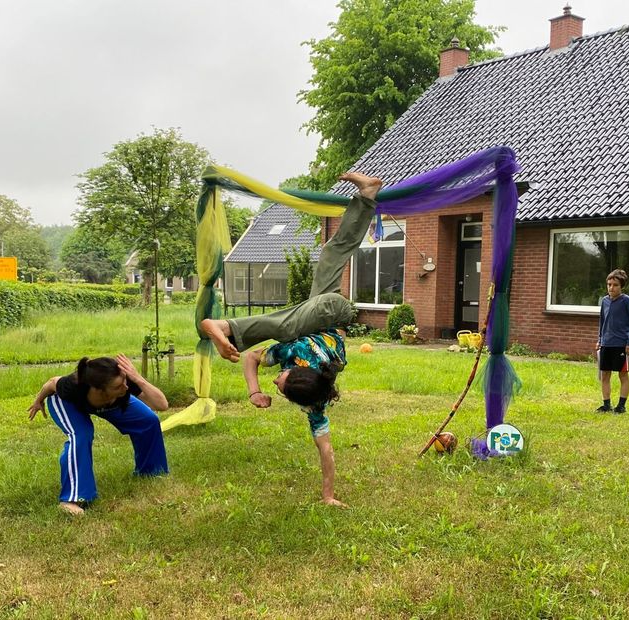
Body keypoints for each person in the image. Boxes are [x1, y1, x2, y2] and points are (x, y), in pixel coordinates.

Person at [199, 172, 383, 508]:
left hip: (318, 314)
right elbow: (257, 355)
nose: (276, 380)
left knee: (333, 253)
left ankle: (367, 196)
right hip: (335, 311)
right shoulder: (297, 352)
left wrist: (254, 392)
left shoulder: (316, 400)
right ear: (296, 370)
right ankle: (224, 327)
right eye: (280, 383)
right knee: (287, 329)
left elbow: (325, 449)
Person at [28, 354, 169, 515]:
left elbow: (162, 405)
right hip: (67, 403)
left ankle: (151, 471)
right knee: (81, 434)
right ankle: (71, 500)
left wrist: (137, 378)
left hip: (110, 401)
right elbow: (52, 383)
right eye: (118, 386)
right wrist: (38, 401)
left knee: (148, 420)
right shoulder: (74, 386)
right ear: (98, 390)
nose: (126, 387)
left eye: (125, 381)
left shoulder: (124, 383)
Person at [596, 269, 629, 413]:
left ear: (621, 287)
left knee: (622, 375)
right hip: (606, 344)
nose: (611, 288)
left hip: (621, 344)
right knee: (605, 375)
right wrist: (600, 339)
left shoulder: (626, 300)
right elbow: (602, 321)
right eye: (609, 284)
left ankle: (621, 406)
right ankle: (606, 404)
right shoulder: (605, 301)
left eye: (615, 285)